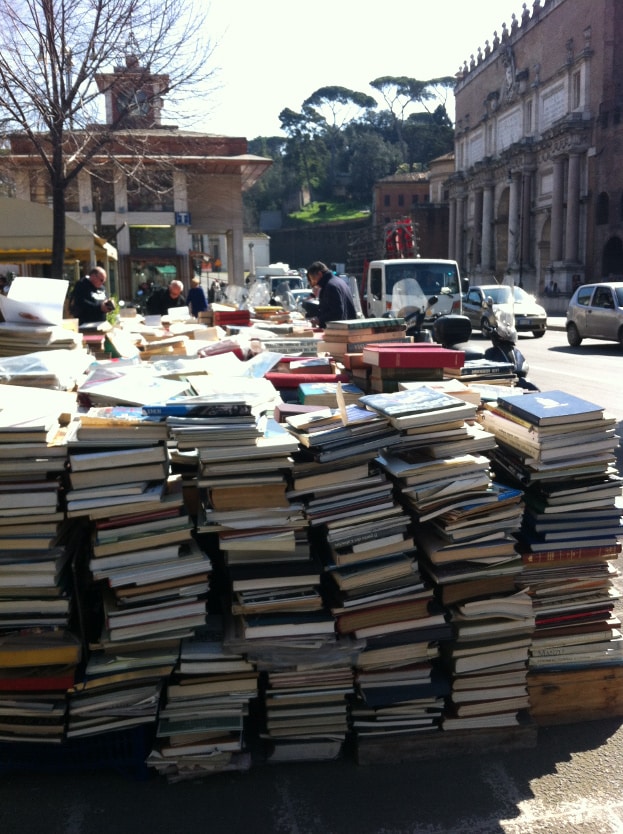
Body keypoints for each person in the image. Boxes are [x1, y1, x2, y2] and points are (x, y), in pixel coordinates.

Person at [306, 260, 357, 327]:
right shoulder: (339, 281)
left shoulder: (331, 286)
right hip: (348, 328)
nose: (313, 283)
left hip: (340, 331)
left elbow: (337, 313)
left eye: (313, 279)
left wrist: (319, 319)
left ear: (320, 274)